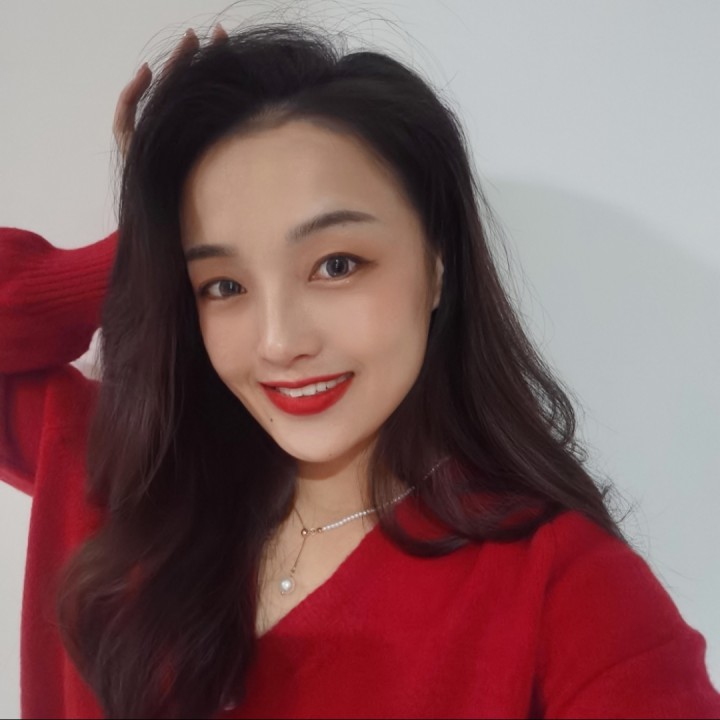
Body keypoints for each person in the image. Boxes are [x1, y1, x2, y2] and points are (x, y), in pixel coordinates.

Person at [1, 21, 719, 720]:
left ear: (437, 263)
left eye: (337, 265)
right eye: (223, 284)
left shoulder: (564, 588)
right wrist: (145, 243)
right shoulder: (121, 468)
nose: (279, 342)